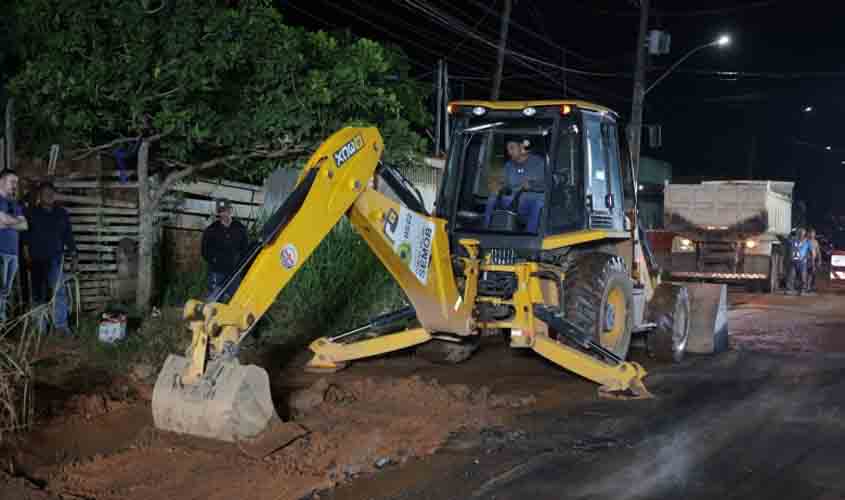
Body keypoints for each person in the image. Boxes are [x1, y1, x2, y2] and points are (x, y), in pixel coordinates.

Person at [22, 182, 78, 335]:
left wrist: (74, 256)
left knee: (59, 292)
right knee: (38, 295)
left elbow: (68, 236)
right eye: (45, 193)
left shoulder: (62, 213)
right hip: (37, 260)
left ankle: (61, 327)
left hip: (56, 259)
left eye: (51, 192)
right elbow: (25, 237)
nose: (49, 195)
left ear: (54, 195)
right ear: (40, 195)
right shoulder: (31, 213)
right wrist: (27, 256)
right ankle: (41, 329)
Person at [483, 138, 546, 233]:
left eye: (512, 148)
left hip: (531, 200)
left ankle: (529, 236)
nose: (509, 152)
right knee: (492, 198)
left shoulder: (539, 163)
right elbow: (505, 183)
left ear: (522, 147)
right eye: (508, 149)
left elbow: (547, 185)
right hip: (512, 199)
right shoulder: (509, 165)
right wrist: (498, 185)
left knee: (540, 203)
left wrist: (532, 185)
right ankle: (486, 231)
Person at [201, 199, 249, 301]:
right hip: (216, 272)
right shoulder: (211, 230)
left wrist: (239, 264)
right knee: (214, 301)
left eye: (226, 211)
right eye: (221, 211)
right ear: (218, 213)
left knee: (236, 300)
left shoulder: (240, 228)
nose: (224, 214)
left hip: (235, 273)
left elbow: (245, 250)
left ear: (231, 210)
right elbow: (204, 251)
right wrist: (214, 260)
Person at [0, 170, 27, 322]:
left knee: (5, 292)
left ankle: (2, 325)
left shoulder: (14, 203)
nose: (15, 186)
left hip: (13, 253)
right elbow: (2, 219)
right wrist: (16, 221)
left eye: (16, 182)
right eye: (12, 181)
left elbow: (25, 225)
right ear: (1, 181)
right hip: (1, 251)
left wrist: (7, 222)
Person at [787, 228, 812, 295]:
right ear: (797, 233)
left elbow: (811, 252)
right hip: (793, 261)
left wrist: (810, 260)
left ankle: (802, 290)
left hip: (802, 262)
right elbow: (787, 239)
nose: (800, 234)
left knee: (802, 277)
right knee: (791, 275)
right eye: (799, 233)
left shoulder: (807, 241)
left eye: (802, 233)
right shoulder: (793, 240)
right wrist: (792, 231)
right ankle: (789, 289)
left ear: (804, 234)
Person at [808, 228, 821, 292]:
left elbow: (818, 251)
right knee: (808, 273)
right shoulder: (806, 241)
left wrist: (819, 260)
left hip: (814, 260)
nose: (812, 234)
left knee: (813, 274)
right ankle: (807, 287)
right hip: (807, 259)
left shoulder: (816, 242)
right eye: (810, 233)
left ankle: (812, 286)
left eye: (813, 233)